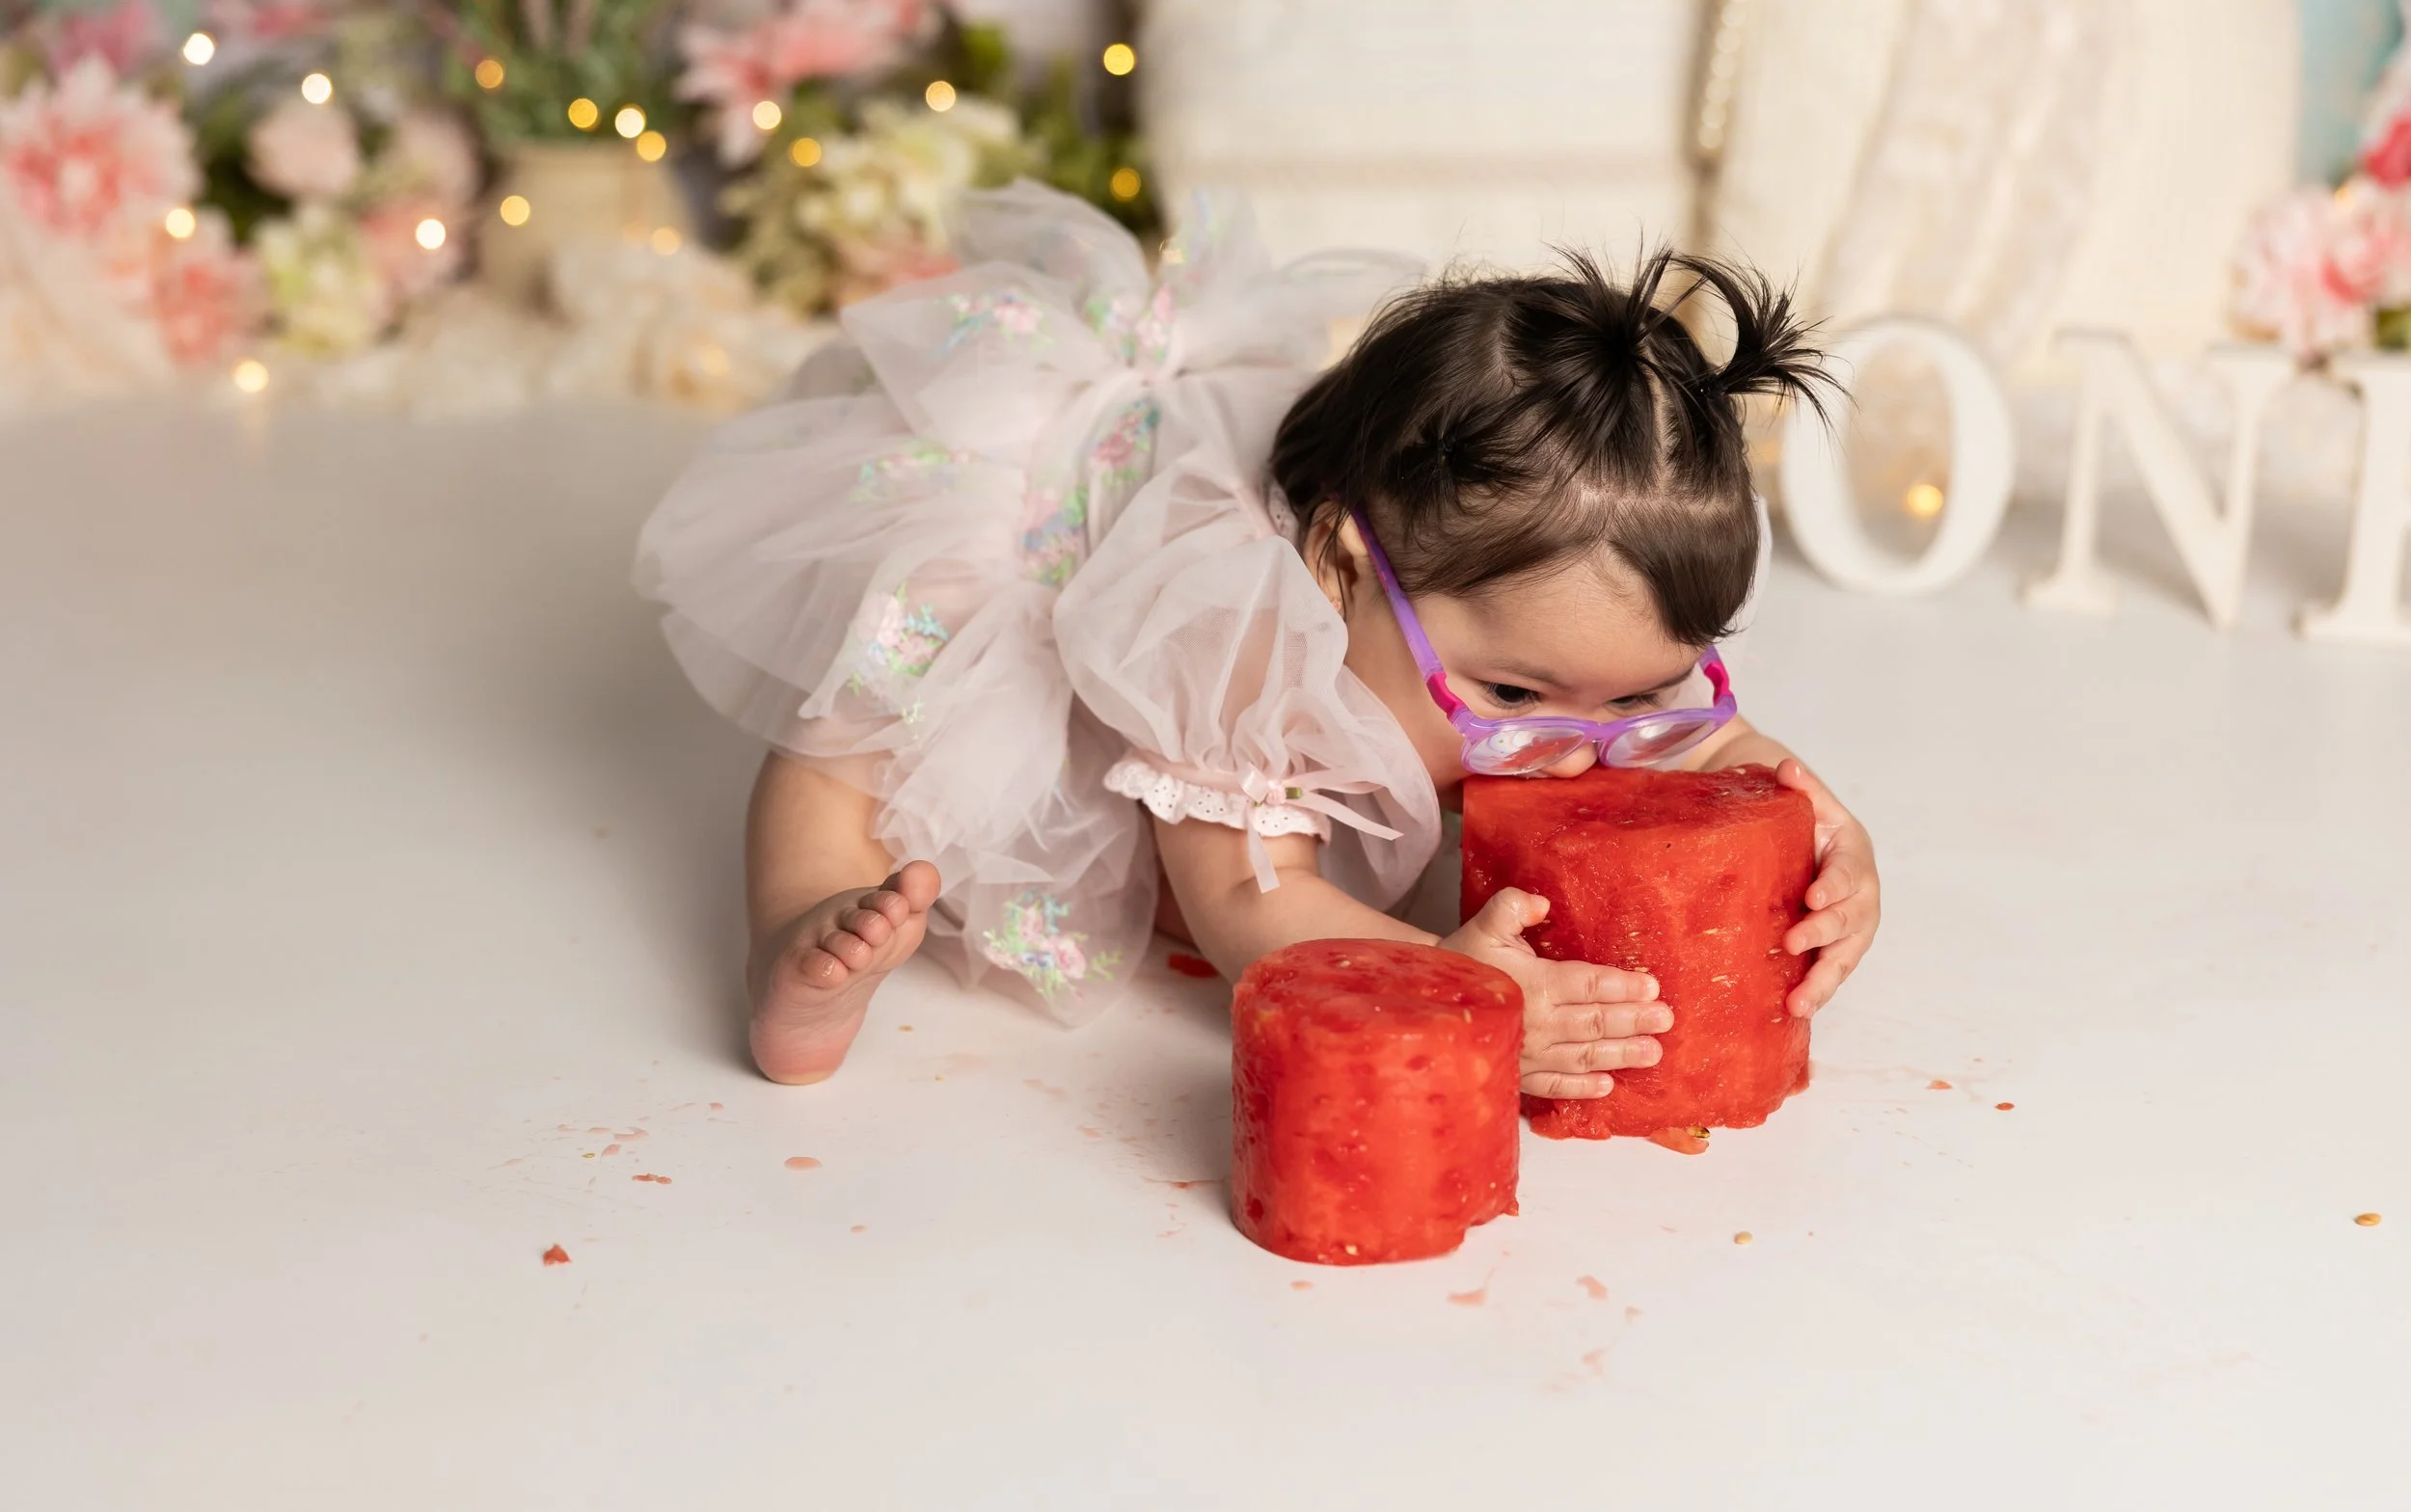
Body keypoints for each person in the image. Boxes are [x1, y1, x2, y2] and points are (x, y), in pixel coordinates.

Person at [635, 181, 1880, 1094]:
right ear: (1343, 567)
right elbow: (1243, 901)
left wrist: (1814, 829)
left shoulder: (1568, 667)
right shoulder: (1237, 642)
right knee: (853, 748)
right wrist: (1465, 980)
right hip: (1041, 549)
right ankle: (789, 951)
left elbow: (1703, 739)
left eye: (1639, 697)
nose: (1577, 749)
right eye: (1511, 689)